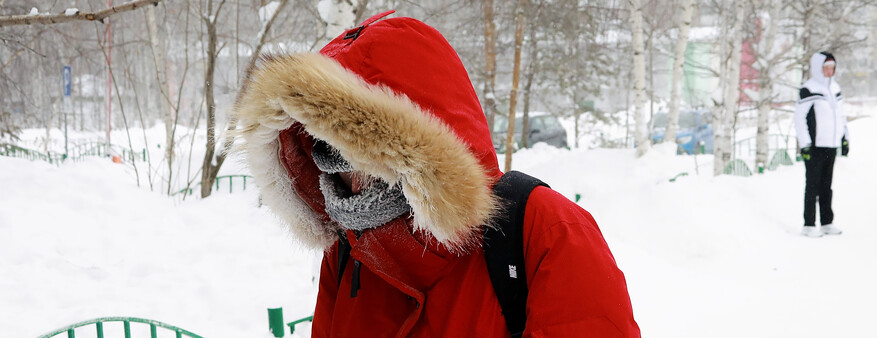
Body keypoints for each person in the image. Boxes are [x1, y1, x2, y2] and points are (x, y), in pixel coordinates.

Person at [234, 11, 640, 337]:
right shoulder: (347, 252)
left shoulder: (546, 231)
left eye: (364, 156)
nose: (351, 184)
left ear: (420, 147)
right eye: (330, 158)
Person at [794, 51, 850, 238]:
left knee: (827, 185)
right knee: (813, 185)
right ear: (818, 68)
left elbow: (841, 116)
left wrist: (844, 138)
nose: (829, 71)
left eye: (832, 68)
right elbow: (800, 117)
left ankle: (827, 222)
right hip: (815, 146)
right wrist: (805, 144)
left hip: (831, 144)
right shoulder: (809, 89)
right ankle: (809, 224)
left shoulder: (835, 88)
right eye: (826, 68)